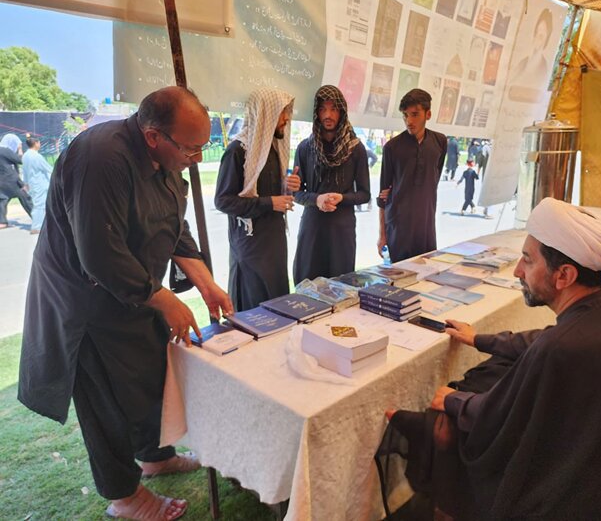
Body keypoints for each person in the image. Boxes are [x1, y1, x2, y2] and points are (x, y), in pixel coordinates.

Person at [18, 86, 233, 520]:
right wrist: (166, 299)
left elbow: (174, 225)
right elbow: (98, 253)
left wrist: (205, 282)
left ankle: (156, 455)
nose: (197, 157)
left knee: (152, 375)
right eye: (191, 147)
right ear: (154, 136)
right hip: (86, 303)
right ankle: (124, 496)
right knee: (106, 402)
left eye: (202, 146)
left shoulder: (166, 158)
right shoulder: (101, 158)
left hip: (134, 292)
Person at [385, 197, 601, 520]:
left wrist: (452, 400)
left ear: (563, 275)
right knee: (495, 369)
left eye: (527, 261)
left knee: (444, 427)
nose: (518, 271)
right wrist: (478, 338)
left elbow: (498, 415)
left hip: (578, 496)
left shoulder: (563, 347)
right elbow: (537, 342)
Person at [215, 88, 301, 311]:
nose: (286, 119)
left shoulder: (272, 149)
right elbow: (224, 201)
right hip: (251, 248)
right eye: (282, 112)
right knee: (254, 313)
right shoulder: (237, 151)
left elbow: (270, 192)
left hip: (274, 243)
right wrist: (270, 203)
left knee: (278, 307)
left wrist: (287, 187)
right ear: (266, 114)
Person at [293, 85, 370, 283]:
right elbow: (296, 193)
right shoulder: (305, 148)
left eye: (333, 109)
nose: (328, 115)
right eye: (323, 109)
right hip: (313, 228)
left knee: (341, 286)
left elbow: (364, 194)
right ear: (316, 112)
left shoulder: (356, 149)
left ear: (342, 111)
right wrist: (316, 199)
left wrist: (342, 197)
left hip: (341, 230)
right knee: (307, 285)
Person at [377, 89, 447, 263]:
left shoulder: (440, 142)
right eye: (405, 115)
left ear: (428, 114)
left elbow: (434, 179)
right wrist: (382, 235)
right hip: (398, 227)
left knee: (427, 276)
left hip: (426, 225)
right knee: (399, 281)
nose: (409, 121)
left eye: (415, 115)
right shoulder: (392, 148)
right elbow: (383, 195)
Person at [21, 134, 53, 234]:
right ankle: (37, 226)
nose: (40, 144)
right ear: (35, 143)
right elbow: (48, 168)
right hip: (40, 184)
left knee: (38, 204)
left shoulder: (25, 155)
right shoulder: (37, 156)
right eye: (39, 142)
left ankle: (41, 225)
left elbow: (24, 171)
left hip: (32, 183)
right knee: (40, 205)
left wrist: (25, 183)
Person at [0, 133, 33, 229]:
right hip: (12, 180)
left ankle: (2, 222)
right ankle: (38, 219)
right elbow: (20, 160)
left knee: (2, 200)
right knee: (25, 198)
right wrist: (19, 150)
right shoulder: (5, 150)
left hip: (1, 181)